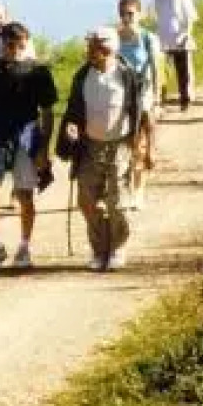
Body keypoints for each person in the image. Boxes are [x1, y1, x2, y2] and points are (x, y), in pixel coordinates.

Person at [0, 21, 58, 272]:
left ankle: (25, 246)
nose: (15, 49)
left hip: (26, 136)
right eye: (10, 44)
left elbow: (47, 113)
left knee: (25, 194)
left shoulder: (39, 73)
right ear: (2, 44)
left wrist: (43, 148)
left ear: (26, 45)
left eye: (20, 45)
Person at [61, 27, 146, 271]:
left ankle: (118, 247)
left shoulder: (127, 74)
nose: (89, 50)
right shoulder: (82, 76)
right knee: (87, 200)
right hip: (90, 146)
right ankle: (99, 249)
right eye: (90, 45)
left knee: (118, 202)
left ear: (108, 49)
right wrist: (72, 128)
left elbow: (140, 112)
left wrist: (141, 145)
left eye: (95, 46)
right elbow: (73, 111)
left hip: (120, 145)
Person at [114, 0, 163, 209]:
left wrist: (158, 99)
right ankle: (125, 189)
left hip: (143, 93)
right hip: (119, 95)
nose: (127, 18)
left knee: (139, 145)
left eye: (131, 13)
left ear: (139, 14)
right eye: (123, 14)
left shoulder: (148, 38)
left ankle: (139, 190)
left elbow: (156, 69)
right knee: (121, 146)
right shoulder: (114, 37)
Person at [152, 0, 197, 111]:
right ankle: (161, 100)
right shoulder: (158, 0)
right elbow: (157, 19)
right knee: (161, 72)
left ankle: (185, 99)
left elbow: (189, 19)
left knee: (183, 72)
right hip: (163, 41)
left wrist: (186, 34)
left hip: (181, 39)